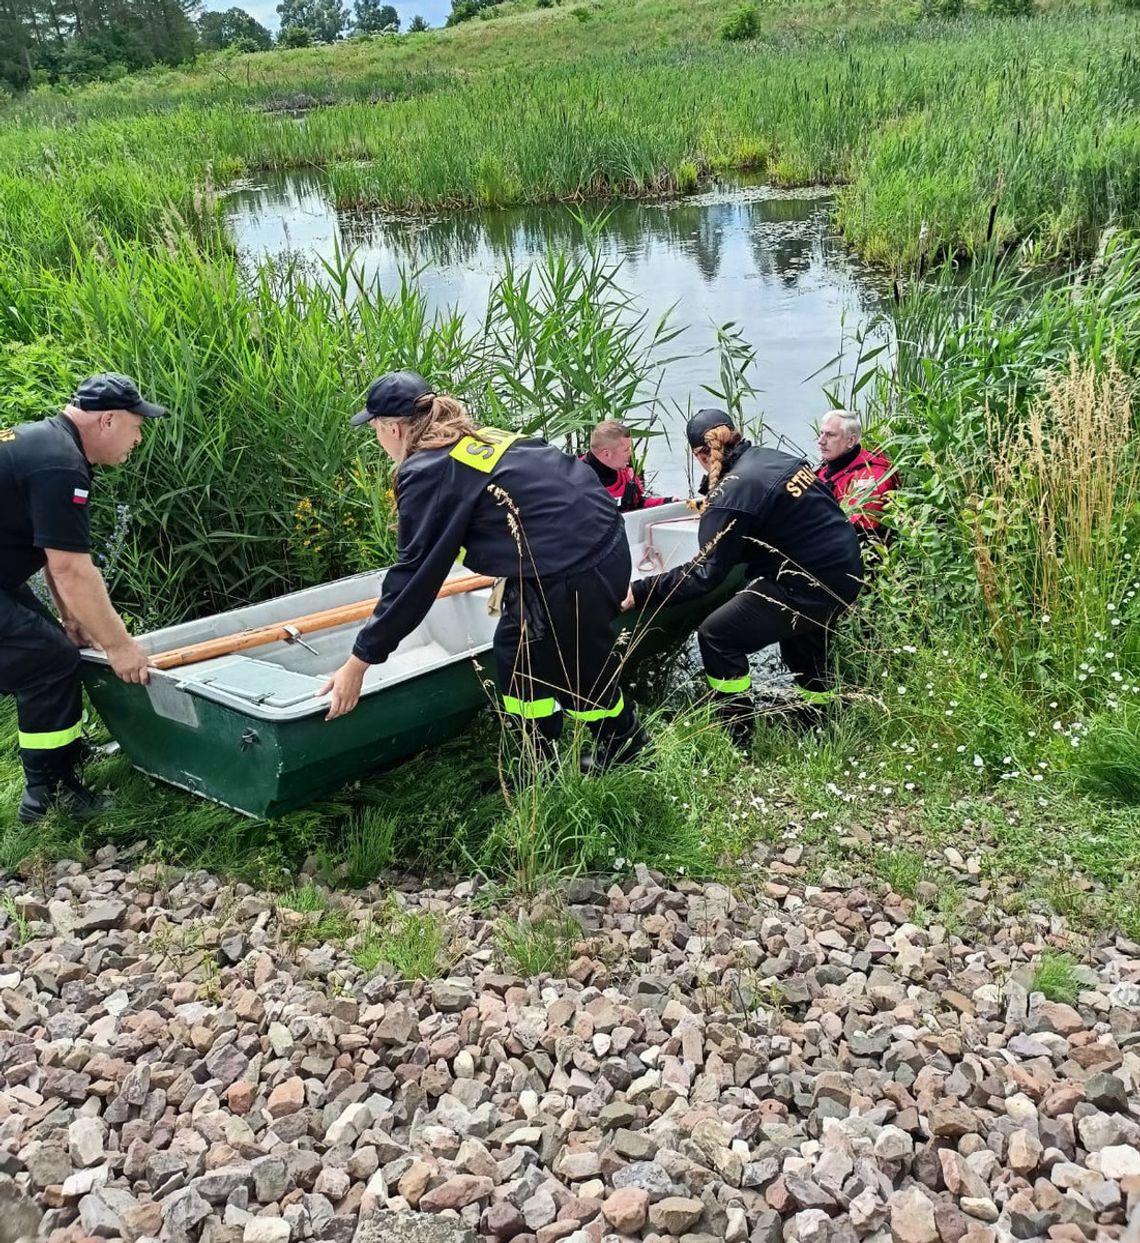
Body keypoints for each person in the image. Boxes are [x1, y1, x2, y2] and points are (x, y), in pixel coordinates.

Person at [321, 371, 648, 772]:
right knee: (516, 659)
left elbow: (415, 576)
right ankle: (537, 766)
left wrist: (359, 662)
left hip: (572, 571)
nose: (377, 438)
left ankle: (628, 752)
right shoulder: (480, 436)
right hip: (601, 546)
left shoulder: (426, 470)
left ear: (392, 428)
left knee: (580, 677)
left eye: (374, 429)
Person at [623, 408, 863, 744]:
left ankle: (738, 732)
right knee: (802, 641)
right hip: (844, 571)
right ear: (736, 434)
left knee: (718, 635)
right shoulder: (773, 458)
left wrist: (642, 590)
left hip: (806, 583)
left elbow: (705, 573)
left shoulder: (732, 493)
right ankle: (821, 720)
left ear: (699, 454)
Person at [1, 373, 163, 823]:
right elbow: (73, 569)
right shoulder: (60, 465)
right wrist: (119, 645)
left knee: (55, 645)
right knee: (47, 661)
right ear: (108, 420)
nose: (139, 437)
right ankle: (48, 795)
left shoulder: (45, 443)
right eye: (137, 425)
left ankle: (64, 750)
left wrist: (72, 619)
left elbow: (57, 560)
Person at [816, 410, 898, 543]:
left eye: (830, 435)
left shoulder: (872, 478)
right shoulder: (831, 465)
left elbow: (861, 534)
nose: (821, 441)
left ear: (851, 441)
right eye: (821, 433)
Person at [581, 420, 677, 512]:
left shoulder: (627, 475)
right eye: (626, 450)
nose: (630, 453)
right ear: (607, 454)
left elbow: (639, 504)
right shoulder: (574, 480)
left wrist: (668, 502)